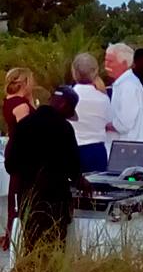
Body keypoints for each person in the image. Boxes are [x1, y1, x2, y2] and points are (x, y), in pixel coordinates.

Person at [5, 86, 91, 255]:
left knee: (32, 250)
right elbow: (73, 168)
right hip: (55, 201)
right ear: (65, 105)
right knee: (55, 252)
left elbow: (10, 165)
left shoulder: (24, 125)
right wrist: (80, 180)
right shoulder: (64, 128)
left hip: (28, 200)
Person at [2, 68, 36, 250]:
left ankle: (11, 230)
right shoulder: (21, 105)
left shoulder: (9, 101)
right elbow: (26, 132)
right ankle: (16, 231)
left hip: (14, 148)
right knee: (20, 188)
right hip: (22, 152)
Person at [105, 43, 143, 166]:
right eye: (106, 61)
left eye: (110, 61)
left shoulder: (128, 86)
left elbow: (124, 124)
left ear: (124, 64)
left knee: (129, 184)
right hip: (127, 150)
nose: (106, 65)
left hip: (130, 152)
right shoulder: (123, 84)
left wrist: (103, 125)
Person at [71, 53, 112, 173]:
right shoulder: (103, 98)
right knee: (99, 187)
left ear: (74, 72)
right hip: (96, 150)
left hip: (73, 148)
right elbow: (109, 122)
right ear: (95, 72)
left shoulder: (68, 97)